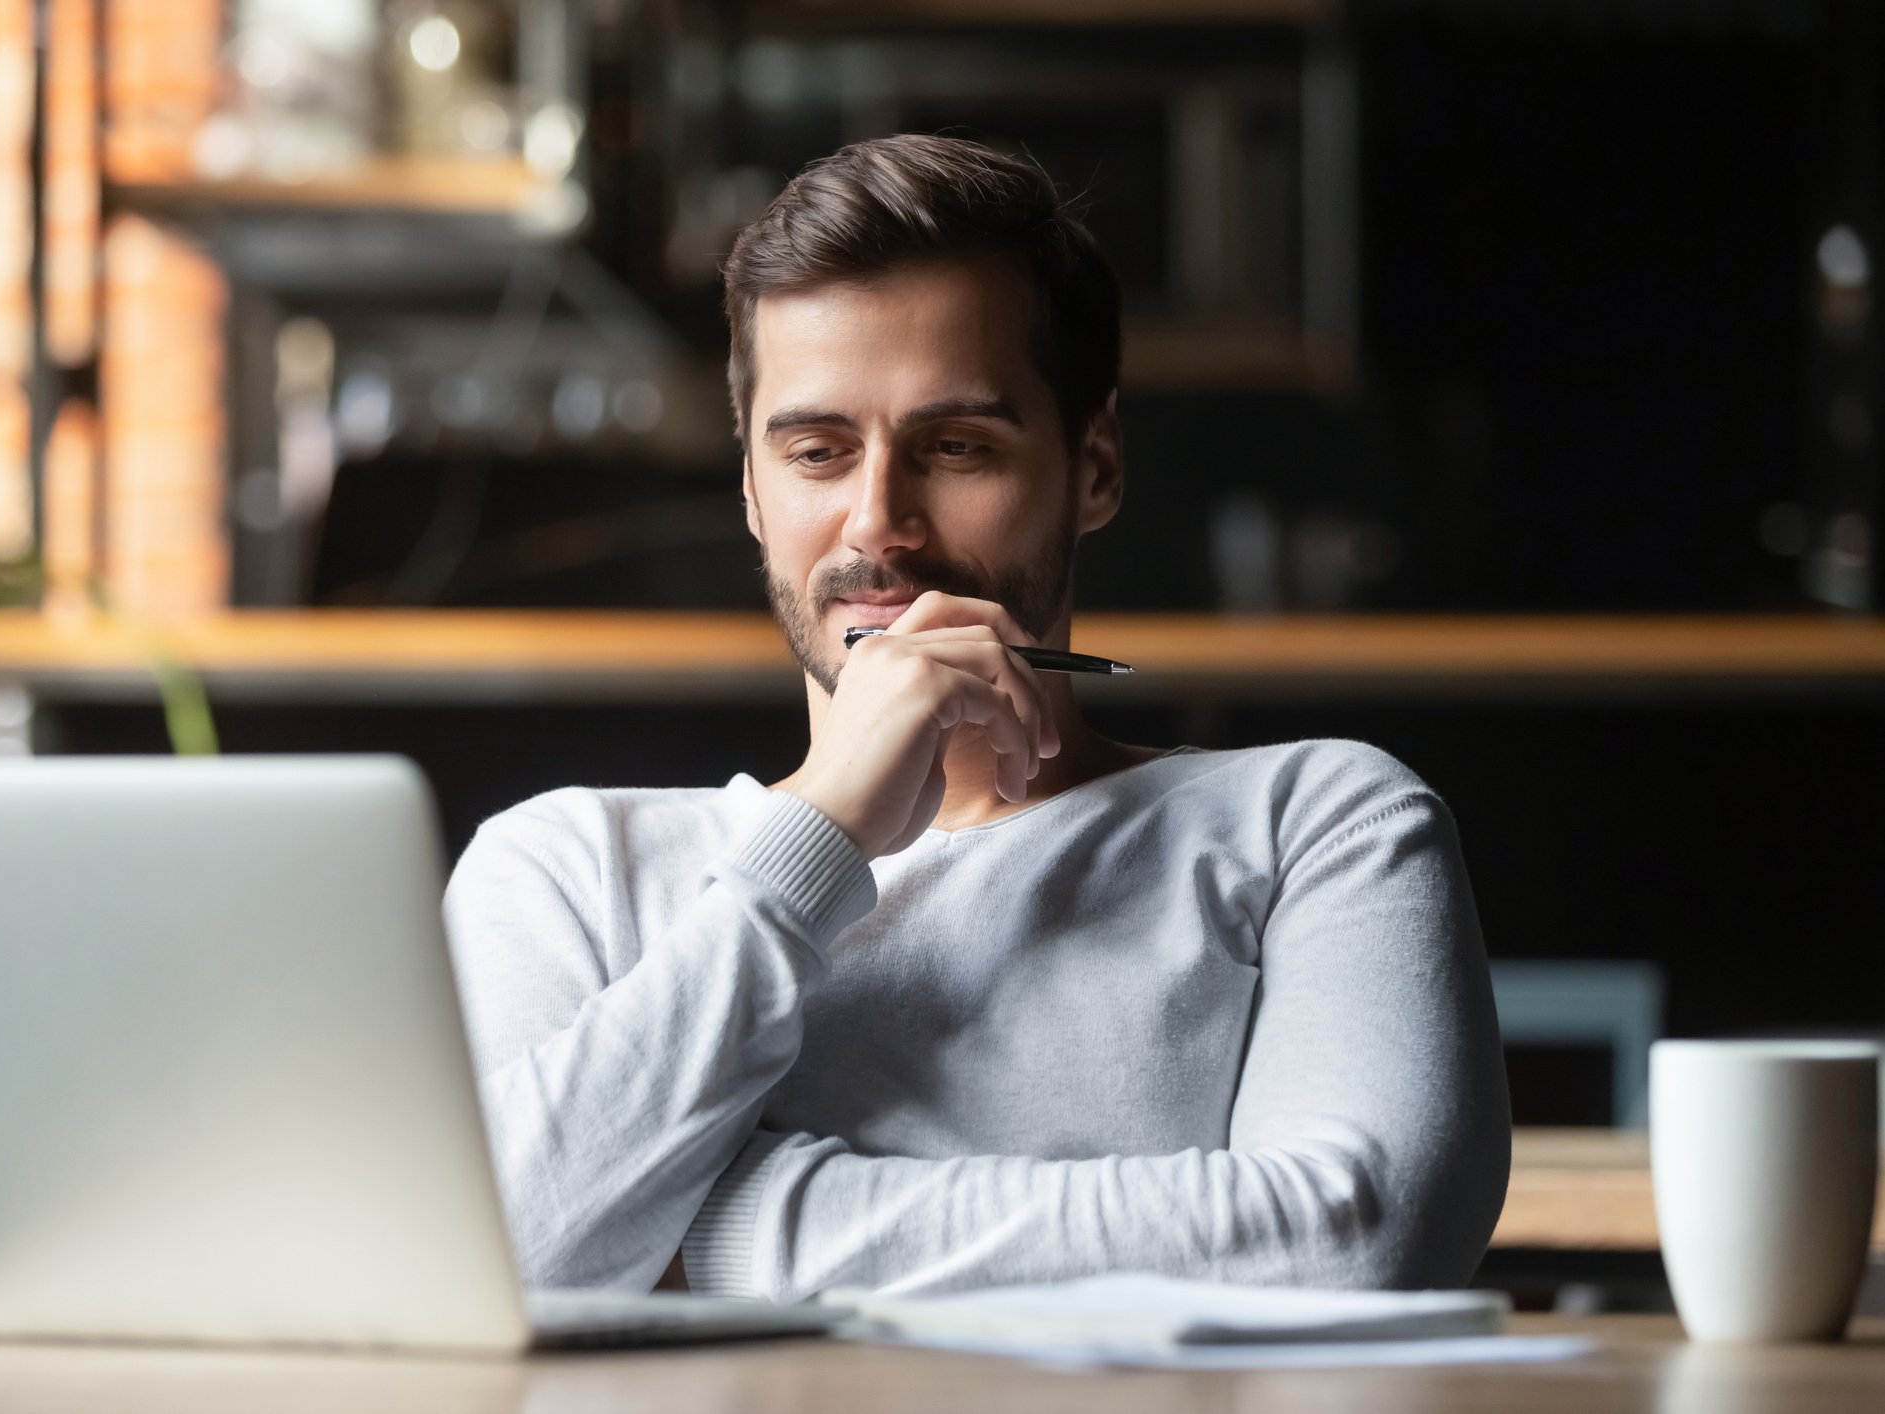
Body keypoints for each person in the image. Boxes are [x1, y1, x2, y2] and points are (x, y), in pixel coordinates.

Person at [444, 134, 1510, 1302]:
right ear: (750, 488)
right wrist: (821, 834)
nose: (877, 524)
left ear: (1094, 466)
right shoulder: (564, 868)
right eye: (817, 451)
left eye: (956, 448)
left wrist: (710, 1226)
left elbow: (1356, 1240)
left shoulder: (1319, 822)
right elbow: (480, 1263)